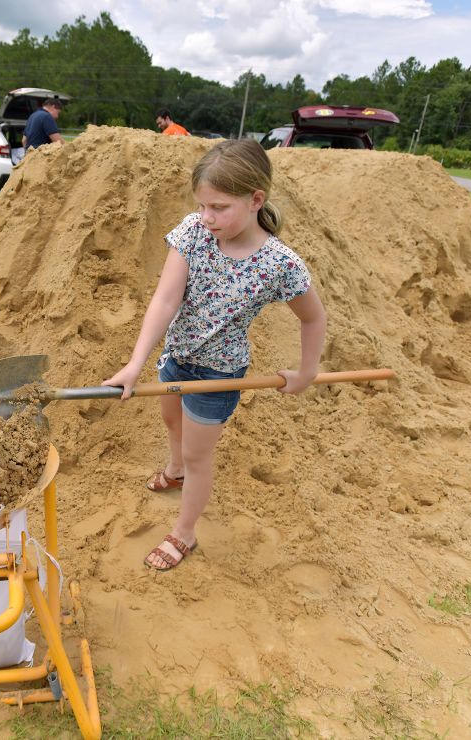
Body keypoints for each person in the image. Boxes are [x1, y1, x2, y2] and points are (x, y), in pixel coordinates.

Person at [104, 139, 326, 571]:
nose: (207, 217)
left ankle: (184, 533)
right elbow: (165, 301)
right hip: (177, 355)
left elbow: (313, 318)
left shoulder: (279, 265)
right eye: (202, 205)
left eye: (219, 207)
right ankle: (175, 470)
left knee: (198, 454)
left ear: (255, 200)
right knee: (171, 420)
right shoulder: (192, 233)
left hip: (219, 373)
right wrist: (135, 364)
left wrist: (306, 371)